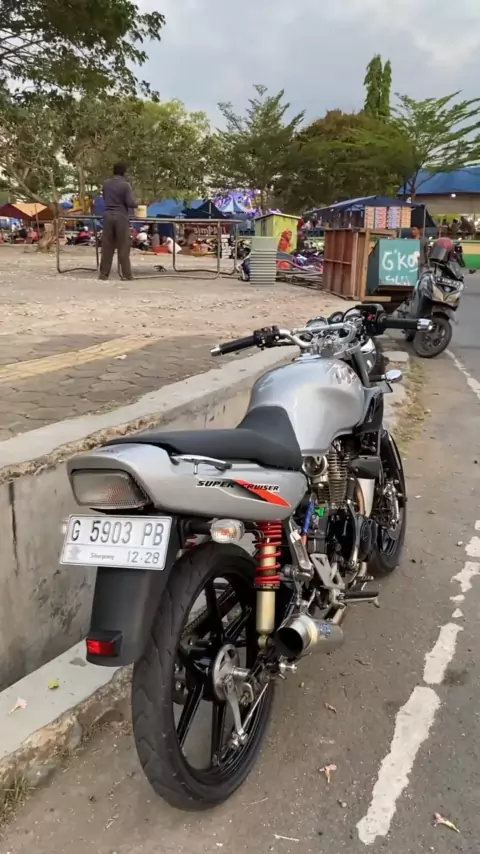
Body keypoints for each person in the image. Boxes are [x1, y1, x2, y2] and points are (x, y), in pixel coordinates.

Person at [99, 162, 136, 280]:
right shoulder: (125, 185)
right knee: (123, 245)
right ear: (124, 172)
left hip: (108, 215)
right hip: (121, 216)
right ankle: (126, 274)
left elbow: (104, 198)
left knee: (107, 246)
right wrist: (137, 203)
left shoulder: (106, 184)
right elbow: (130, 203)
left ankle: (103, 274)